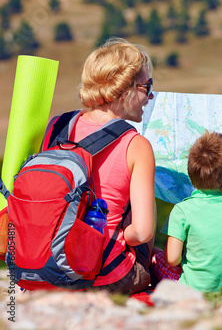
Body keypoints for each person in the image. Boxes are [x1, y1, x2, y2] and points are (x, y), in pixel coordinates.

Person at [46, 38, 157, 294]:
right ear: (125, 88)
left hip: (49, 264)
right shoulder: (136, 144)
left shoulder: (58, 125)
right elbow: (140, 233)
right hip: (104, 274)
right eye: (146, 85)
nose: (150, 95)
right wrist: (119, 238)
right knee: (144, 206)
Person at [152, 131, 222, 292]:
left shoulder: (182, 210)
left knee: (156, 255)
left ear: (190, 175)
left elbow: (171, 259)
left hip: (194, 290)